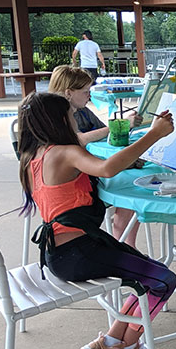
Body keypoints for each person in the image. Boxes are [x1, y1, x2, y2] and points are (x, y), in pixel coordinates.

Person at [17, 92, 176, 349]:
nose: (74, 120)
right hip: (79, 253)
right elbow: (106, 168)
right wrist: (154, 134)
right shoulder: (64, 153)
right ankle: (123, 348)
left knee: (150, 275)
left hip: (63, 252)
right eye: (70, 116)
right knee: (163, 280)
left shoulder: (34, 156)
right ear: (58, 120)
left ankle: (115, 345)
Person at [48, 65, 143, 246]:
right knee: (127, 186)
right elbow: (79, 140)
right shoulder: (57, 118)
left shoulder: (82, 111)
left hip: (86, 170)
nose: (89, 96)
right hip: (76, 184)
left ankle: (126, 245)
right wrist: (122, 124)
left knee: (129, 178)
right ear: (68, 93)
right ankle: (125, 246)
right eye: (85, 92)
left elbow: (103, 133)